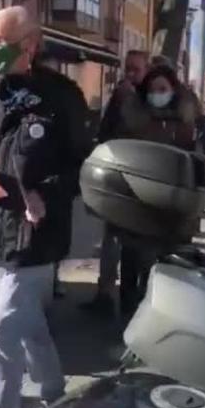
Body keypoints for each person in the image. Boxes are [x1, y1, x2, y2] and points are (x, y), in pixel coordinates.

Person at [0, 6, 92, 408]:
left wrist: (44, 194)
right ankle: (56, 394)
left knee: (2, 331)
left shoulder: (61, 96)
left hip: (37, 235)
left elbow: (85, 165)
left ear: (30, 45)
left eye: (2, 42)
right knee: (28, 323)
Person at [112, 62, 205, 316]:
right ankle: (129, 315)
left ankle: (159, 314)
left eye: (163, 89)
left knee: (165, 263)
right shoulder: (134, 120)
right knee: (132, 260)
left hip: (174, 203)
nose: (158, 94)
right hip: (138, 201)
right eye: (153, 89)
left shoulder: (186, 123)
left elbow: (198, 159)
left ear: (173, 90)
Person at [81, 49, 149, 317]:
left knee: (136, 246)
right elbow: (105, 132)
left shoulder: (147, 98)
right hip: (117, 177)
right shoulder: (120, 97)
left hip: (143, 183)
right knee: (110, 239)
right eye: (127, 68)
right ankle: (105, 295)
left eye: (136, 69)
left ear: (146, 71)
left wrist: (129, 102)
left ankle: (135, 301)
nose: (130, 74)